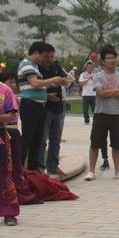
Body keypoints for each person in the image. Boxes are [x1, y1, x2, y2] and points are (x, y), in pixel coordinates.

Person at [17, 42, 66, 171]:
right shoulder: (26, 64)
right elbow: (34, 82)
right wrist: (53, 80)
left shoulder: (34, 66)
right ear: (36, 53)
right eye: (44, 55)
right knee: (28, 137)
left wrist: (49, 85)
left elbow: (37, 84)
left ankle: (33, 169)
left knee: (37, 139)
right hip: (30, 105)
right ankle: (19, 167)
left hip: (39, 106)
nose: (45, 59)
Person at [85, 44, 119, 181]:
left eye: (114, 57)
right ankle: (91, 171)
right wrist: (116, 91)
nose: (112, 60)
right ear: (103, 61)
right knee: (95, 143)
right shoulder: (97, 76)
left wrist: (108, 92)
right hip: (100, 113)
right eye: (109, 58)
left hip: (116, 114)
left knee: (117, 143)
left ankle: (118, 171)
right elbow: (100, 93)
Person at [1, 70, 39, 226]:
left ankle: (9, 212)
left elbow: (11, 115)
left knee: (5, 174)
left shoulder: (5, 90)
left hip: (2, 137)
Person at [39, 48, 72, 178]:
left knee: (56, 139)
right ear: (40, 55)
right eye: (47, 56)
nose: (50, 59)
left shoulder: (56, 67)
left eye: (52, 57)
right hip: (45, 108)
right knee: (42, 140)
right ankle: (40, 167)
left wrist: (64, 81)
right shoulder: (36, 69)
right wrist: (47, 96)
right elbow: (35, 87)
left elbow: (65, 81)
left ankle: (53, 166)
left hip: (59, 107)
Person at [79, 60, 96, 125]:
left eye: (91, 66)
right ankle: (87, 120)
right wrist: (87, 79)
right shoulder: (83, 74)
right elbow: (80, 83)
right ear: (86, 67)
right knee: (85, 110)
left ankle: (96, 121)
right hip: (86, 94)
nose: (90, 68)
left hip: (94, 94)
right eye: (88, 66)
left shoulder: (95, 74)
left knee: (95, 110)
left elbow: (98, 83)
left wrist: (93, 79)